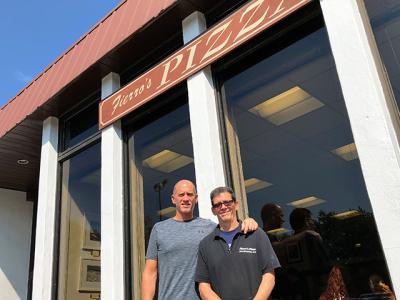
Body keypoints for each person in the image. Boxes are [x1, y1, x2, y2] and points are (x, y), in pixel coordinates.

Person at [141, 180, 258, 300]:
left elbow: (231, 228)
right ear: (173, 199)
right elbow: (150, 273)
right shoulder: (159, 229)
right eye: (181, 195)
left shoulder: (210, 228)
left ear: (196, 199)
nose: (186, 198)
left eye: (190, 194)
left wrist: (247, 221)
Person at [195, 186, 280, 300]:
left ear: (236, 205)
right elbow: (203, 286)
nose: (223, 207)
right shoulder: (205, 245)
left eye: (227, 202)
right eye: (218, 204)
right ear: (213, 210)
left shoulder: (256, 235)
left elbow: (269, 276)